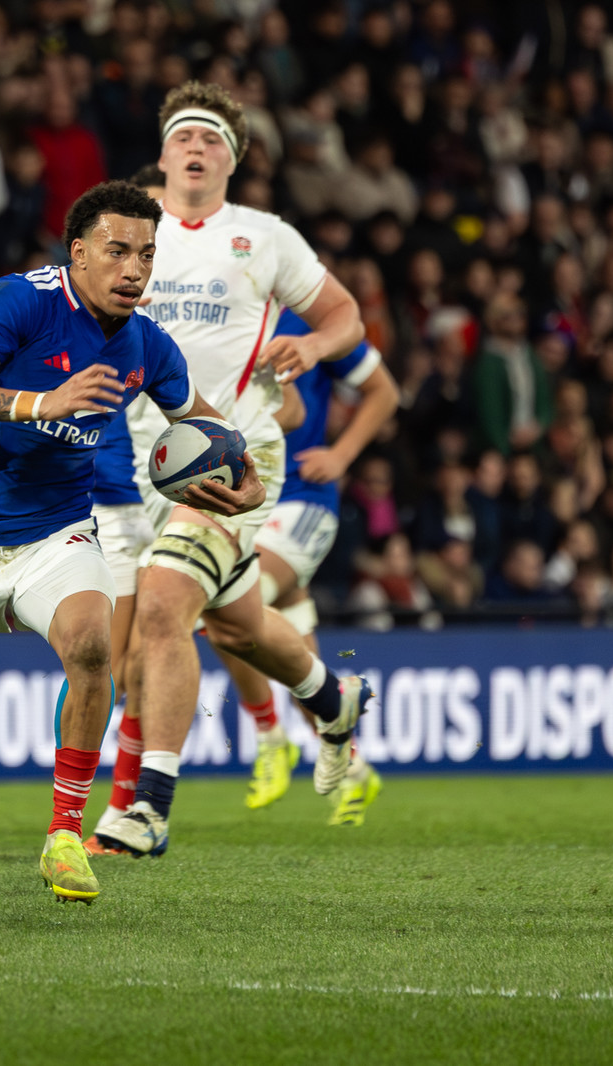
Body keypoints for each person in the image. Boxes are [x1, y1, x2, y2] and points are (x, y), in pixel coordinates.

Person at [0, 181, 260, 905]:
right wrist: (43, 402)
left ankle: (65, 835)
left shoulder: (147, 343)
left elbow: (204, 422)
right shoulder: (23, 301)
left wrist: (241, 473)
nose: (134, 268)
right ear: (78, 253)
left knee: (92, 645)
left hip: (57, 530)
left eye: (146, 253)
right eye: (117, 251)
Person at [91, 82, 374, 859]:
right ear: (162, 154)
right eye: (183, 134)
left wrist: (313, 349)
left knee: (163, 609)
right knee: (232, 626)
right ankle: (333, 696)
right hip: (142, 459)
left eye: (212, 138)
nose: (196, 147)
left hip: (232, 452)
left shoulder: (265, 237)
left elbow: (345, 315)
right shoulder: (130, 237)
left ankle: (147, 809)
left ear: (233, 160)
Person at [221, 311, 399, 825]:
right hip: (244, 497)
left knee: (224, 600)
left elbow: (384, 391)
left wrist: (342, 455)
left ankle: (271, 736)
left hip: (302, 498)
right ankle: (356, 770)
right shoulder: (209, 308)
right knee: (292, 649)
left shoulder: (311, 319)